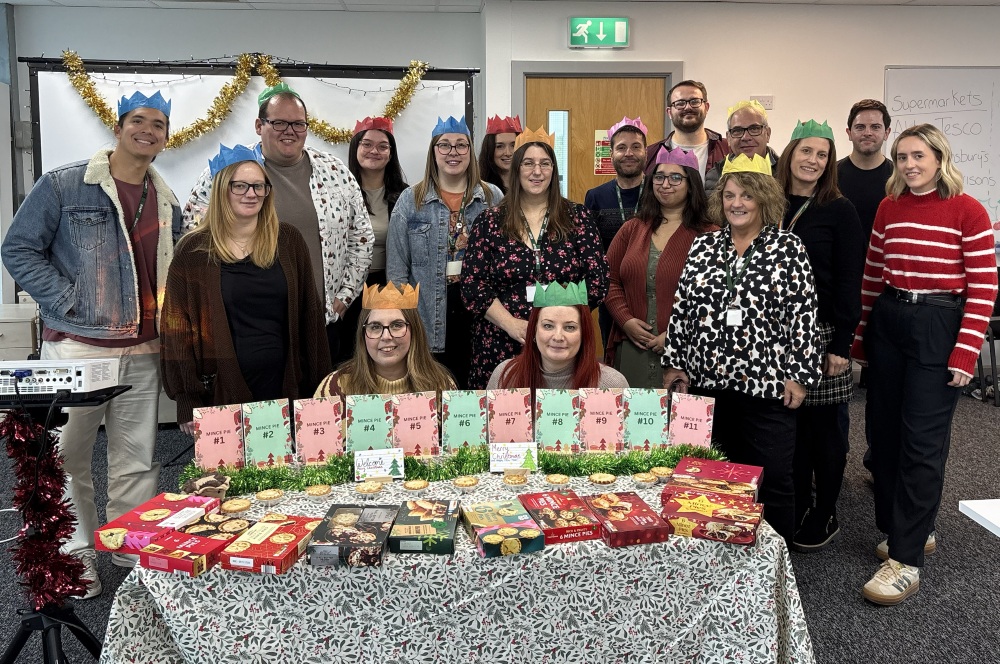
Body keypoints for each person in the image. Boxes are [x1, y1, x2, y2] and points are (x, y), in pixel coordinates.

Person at [1, 90, 182, 598]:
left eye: (159, 124)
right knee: (67, 457)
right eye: (139, 121)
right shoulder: (62, 184)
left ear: (166, 137)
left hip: (145, 349)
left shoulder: (166, 198)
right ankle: (75, 556)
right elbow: (17, 248)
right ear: (120, 126)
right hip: (79, 346)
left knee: (137, 458)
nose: (149, 131)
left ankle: (131, 547)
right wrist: (69, 298)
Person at [851, 124, 998, 606]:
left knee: (921, 439)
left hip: (939, 323)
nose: (910, 164)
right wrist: (860, 339)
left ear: (939, 158)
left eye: (919, 155)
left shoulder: (968, 210)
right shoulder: (889, 208)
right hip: (891, 318)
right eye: (903, 157)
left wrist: (965, 350)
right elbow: (873, 275)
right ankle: (905, 527)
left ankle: (906, 559)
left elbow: (983, 287)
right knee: (883, 434)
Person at [661, 153, 821, 542]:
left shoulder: (788, 248)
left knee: (773, 479)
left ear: (764, 198)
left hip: (765, 388)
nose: (736, 204)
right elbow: (683, 308)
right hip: (706, 385)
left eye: (747, 196)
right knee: (707, 478)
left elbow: (804, 315)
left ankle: (773, 566)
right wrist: (674, 364)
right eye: (730, 195)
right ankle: (713, 559)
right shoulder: (704, 246)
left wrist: (799, 376)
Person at [183, 83, 373, 361]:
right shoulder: (229, 170)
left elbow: (362, 238)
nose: (290, 131)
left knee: (316, 402)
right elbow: (193, 233)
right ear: (259, 125)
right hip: (247, 329)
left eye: (298, 124)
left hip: (319, 324)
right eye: (279, 123)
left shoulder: (335, 173)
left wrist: (344, 298)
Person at [161, 144, 332, 430]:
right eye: (239, 186)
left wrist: (320, 389)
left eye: (258, 186)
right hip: (221, 390)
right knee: (225, 474)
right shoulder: (193, 251)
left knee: (288, 470)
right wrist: (187, 399)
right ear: (220, 191)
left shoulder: (289, 240)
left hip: (286, 385)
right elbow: (177, 331)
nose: (251, 194)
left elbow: (310, 318)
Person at [774, 120, 865, 552]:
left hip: (822, 332)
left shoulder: (838, 209)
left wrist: (840, 345)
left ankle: (826, 510)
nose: (812, 160)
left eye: (822, 154)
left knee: (825, 432)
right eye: (806, 151)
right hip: (773, 335)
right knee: (786, 428)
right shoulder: (768, 204)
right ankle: (796, 505)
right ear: (789, 153)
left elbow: (850, 281)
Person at [462, 127, 610, 389]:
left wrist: (562, 322)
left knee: (562, 416)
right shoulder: (489, 221)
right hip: (501, 340)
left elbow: (597, 281)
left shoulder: (578, 218)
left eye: (545, 163)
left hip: (562, 345)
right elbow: (474, 287)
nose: (537, 171)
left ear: (554, 170)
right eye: (528, 163)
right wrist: (511, 324)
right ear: (516, 169)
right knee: (507, 419)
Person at [386, 116, 501, 388]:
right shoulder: (411, 199)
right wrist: (405, 321)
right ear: (433, 152)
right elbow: (397, 269)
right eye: (444, 145)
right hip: (426, 312)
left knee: (476, 390)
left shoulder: (492, 197)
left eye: (461, 145)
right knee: (433, 390)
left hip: (482, 313)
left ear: (470, 152)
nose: (453, 152)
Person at [604, 147, 716, 387]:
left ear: (691, 183)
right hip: (634, 348)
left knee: (679, 421)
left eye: (676, 177)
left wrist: (677, 334)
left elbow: (717, 300)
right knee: (631, 420)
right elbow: (609, 280)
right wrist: (625, 321)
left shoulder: (711, 235)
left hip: (688, 351)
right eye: (659, 176)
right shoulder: (632, 229)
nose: (666, 184)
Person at [338, 116, 409, 363]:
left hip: (388, 286)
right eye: (367, 144)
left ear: (391, 154)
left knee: (388, 356)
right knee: (349, 355)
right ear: (355, 148)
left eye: (383, 146)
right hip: (347, 288)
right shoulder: (339, 194)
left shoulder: (405, 196)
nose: (374, 151)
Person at [314, 282, 454, 399]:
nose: (386, 336)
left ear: (414, 331)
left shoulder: (442, 385)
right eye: (375, 327)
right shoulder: (335, 388)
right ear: (363, 334)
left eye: (397, 325)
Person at [838, 99, 893, 398]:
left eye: (875, 127)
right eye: (860, 127)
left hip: (886, 282)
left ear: (887, 132)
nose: (867, 132)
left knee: (883, 363)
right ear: (848, 132)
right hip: (842, 277)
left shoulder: (900, 178)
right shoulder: (831, 177)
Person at [487, 280, 627, 390]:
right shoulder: (504, 375)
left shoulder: (611, 384)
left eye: (570, 327)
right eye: (548, 326)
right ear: (534, 332)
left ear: (584, 334)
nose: (558, 337)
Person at [585, 117, 648, 345]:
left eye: (636, 146)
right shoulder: (596, 196)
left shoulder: (659, 191)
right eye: (621, 147)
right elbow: (590, 249)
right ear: (611, 154)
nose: (628, 153)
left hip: (650, 288)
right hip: (611, 291)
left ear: (646, 153)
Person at [645, 80, 729, 182]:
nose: (688, 107)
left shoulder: (729, 150)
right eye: (680, 103)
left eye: (695, 101)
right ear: (669, 112)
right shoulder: (650, 155)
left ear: (706, 107)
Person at [706, 100, 780, 192]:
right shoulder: (716, 175)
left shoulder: (785, 172)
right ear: (728, 138)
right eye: (737, 130)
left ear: (768, 134)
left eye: (754, 129)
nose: (746, 137)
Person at [478, 114, 521, 194]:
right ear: (489, 150)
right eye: (500, 146)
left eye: (513, 145)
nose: (508, 153)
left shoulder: (530, 186)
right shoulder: (479, 190)